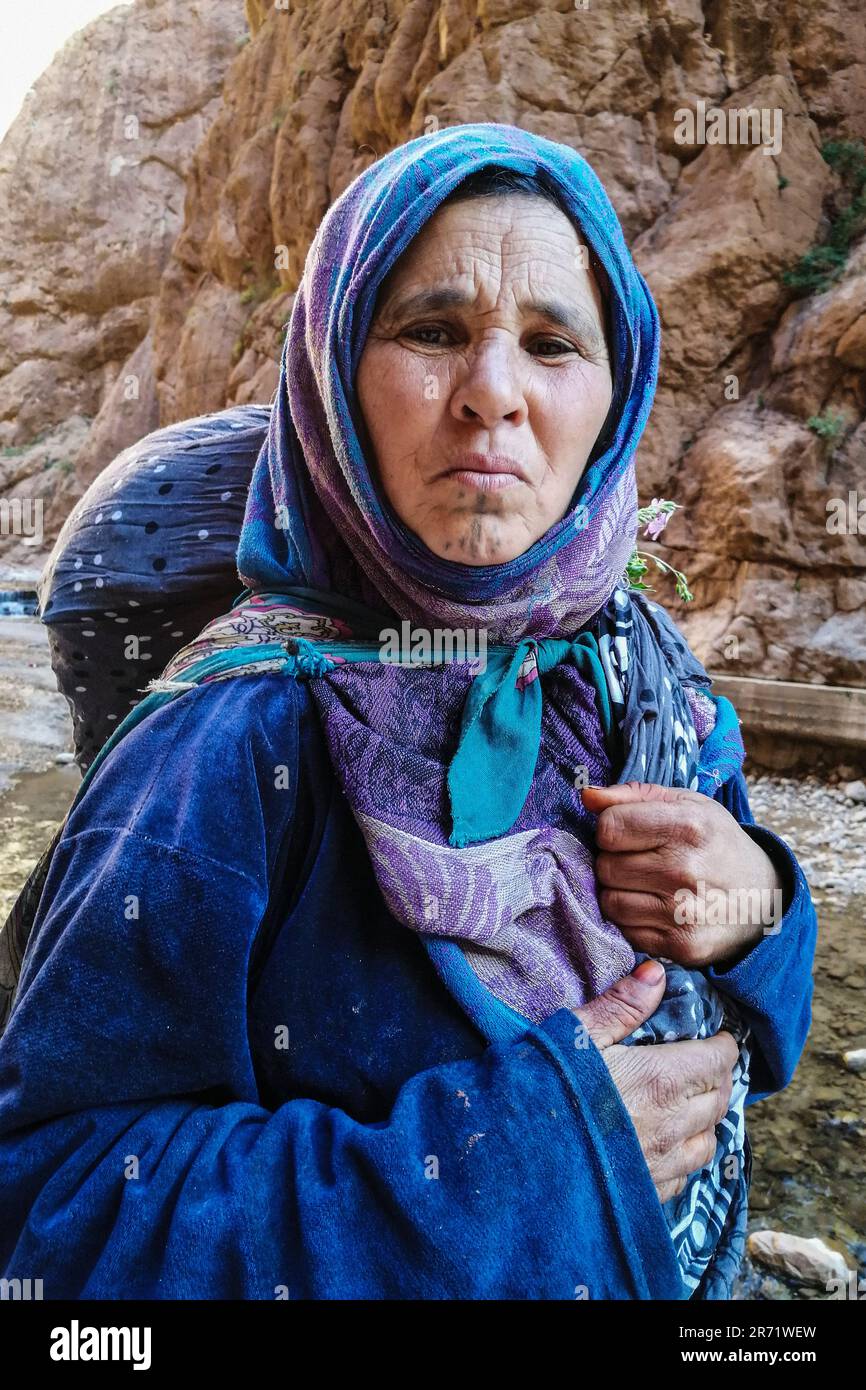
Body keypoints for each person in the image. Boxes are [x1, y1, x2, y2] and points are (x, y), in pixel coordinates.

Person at [0, 123, 816, 1300]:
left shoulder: (645, 682)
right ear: (335, 376)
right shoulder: (225, 744)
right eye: (431, 332)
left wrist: (757, 909)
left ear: (615, 393)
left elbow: (751, 1041)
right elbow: (54, 1219)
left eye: (550, 344)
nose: (491, 394)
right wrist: (516, 1160)